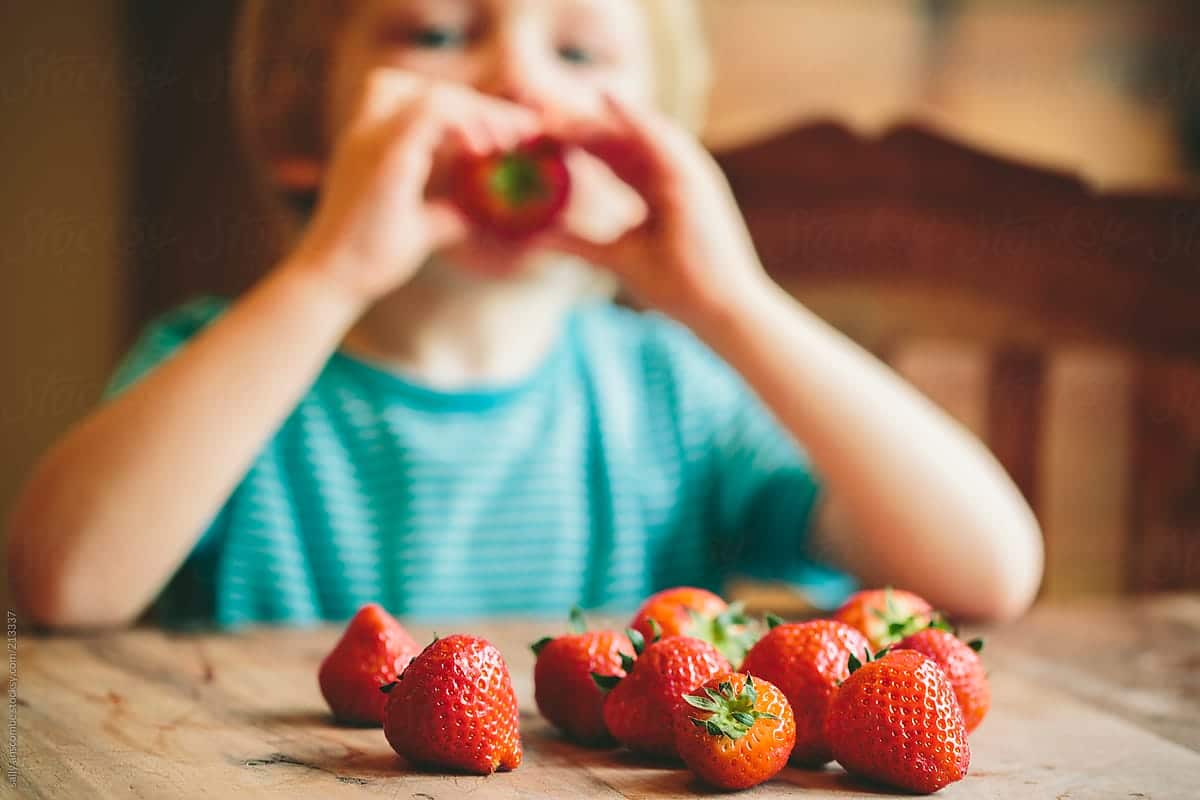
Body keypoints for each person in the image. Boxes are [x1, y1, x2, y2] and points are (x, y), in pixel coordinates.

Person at [7, 0, 1043, 629]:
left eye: (582, 53)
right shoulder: (217, 368)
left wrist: (731, 302)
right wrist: (329, 272)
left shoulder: (672, 394)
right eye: (439, 32)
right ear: (300, 123)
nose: (516, 78)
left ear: (651, 138)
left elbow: (987, 570)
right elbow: (60, 583)